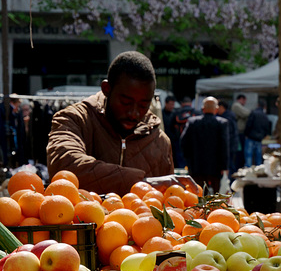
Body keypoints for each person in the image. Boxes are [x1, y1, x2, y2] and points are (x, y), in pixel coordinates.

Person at [47, 51, 196, 195]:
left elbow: (169, 202)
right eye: (125, 102)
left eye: (143, 105)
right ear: (107, 89)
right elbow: (64, 167)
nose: (134, 113)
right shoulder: (74, 119)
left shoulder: (160, 141)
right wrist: (143, 183)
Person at [180, 96, 229, 193]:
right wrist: (224, 166)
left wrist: (188, 160)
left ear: (203, 109)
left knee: (198, 193)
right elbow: (224, 146)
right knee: (216, 196)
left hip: (196, 165)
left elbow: (183, 141)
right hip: (216, 167)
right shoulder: (222, 123)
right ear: (216, 109)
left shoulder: (192, 122)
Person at [170, 96, 199, 169]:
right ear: (190, 104)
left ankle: (182, 177)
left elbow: (170, 127)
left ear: (182, 104)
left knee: (180, 159)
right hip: (194, 141)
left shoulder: (176, 113)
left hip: (179, 140)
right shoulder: (196, 113)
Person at [244, 99, 271, 167]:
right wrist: (263, 136)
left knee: (248, 156)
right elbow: (267, 128)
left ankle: (248, 171)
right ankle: (258, 171)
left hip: (250, 137)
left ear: (258, 105)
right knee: (258, 158)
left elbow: (248, 125)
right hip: (259, 139)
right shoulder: (265, 116)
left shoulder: (253, 113)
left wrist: (246, 134)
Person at [217, 99, 239, 176]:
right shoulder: (229, 115)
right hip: (231, 145)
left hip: (229, 146)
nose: (216, 109)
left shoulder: (227, 118)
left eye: (218, 107)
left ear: (222, 107)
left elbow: (228, 134)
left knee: (229, 165)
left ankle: (230, 182)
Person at [231, 93, 251, 169]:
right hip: (238, 133)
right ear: (241, 99)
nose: (245, 103)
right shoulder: (236, 106)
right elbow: (246, 113)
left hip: (241, 133)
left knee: (241, 153)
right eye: (244, 101)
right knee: (239, 153)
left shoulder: (238, 106)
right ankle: (237, 168)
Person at [162, 94, 178, 163]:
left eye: (173, 104)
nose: (172, 106)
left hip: (172, 141)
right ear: (166, 103)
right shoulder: (161, 113)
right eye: (170, 104)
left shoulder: (174, 114)